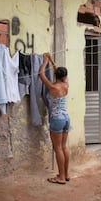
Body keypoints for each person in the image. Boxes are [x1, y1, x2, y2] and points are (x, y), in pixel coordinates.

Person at [39, 53, 71, 185]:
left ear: (56, 76)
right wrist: (52, 61)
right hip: (66, 118)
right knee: (64, 147)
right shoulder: (66, 85)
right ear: (64, 76)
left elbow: (41, 74)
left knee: (57, 148)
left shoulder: (52, 87)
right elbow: (59, 73)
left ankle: (61, 178)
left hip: (57, 119)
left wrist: (46, 61)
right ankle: (66, 174)